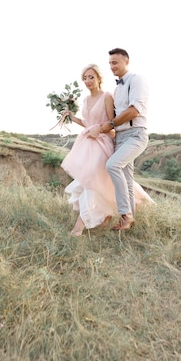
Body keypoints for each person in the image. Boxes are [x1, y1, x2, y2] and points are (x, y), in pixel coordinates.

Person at [61, 63, 152, 237]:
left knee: (91, 183)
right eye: (85, 78)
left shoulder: (107, 97)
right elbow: (88, 123)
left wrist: (99, 131)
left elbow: (113, 125)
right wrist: (72, 117)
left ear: (99, 78)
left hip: (102, 144)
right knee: (91, 181)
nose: (88, 81)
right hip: (88, 144)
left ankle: (79, 227)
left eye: (91, 77)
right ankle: (106, 216)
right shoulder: (86, 100)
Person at [89, 48, 149, 231]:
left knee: (112, 165)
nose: (111, 66)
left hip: (136, 134)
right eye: (109, 63)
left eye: (115, 62)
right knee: (128, 180)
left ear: (126, 61)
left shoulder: (136, 80)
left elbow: (133, 111)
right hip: (121, 137)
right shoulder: (117, 88)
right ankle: (129, 223)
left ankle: (125, 215)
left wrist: (110, 125)